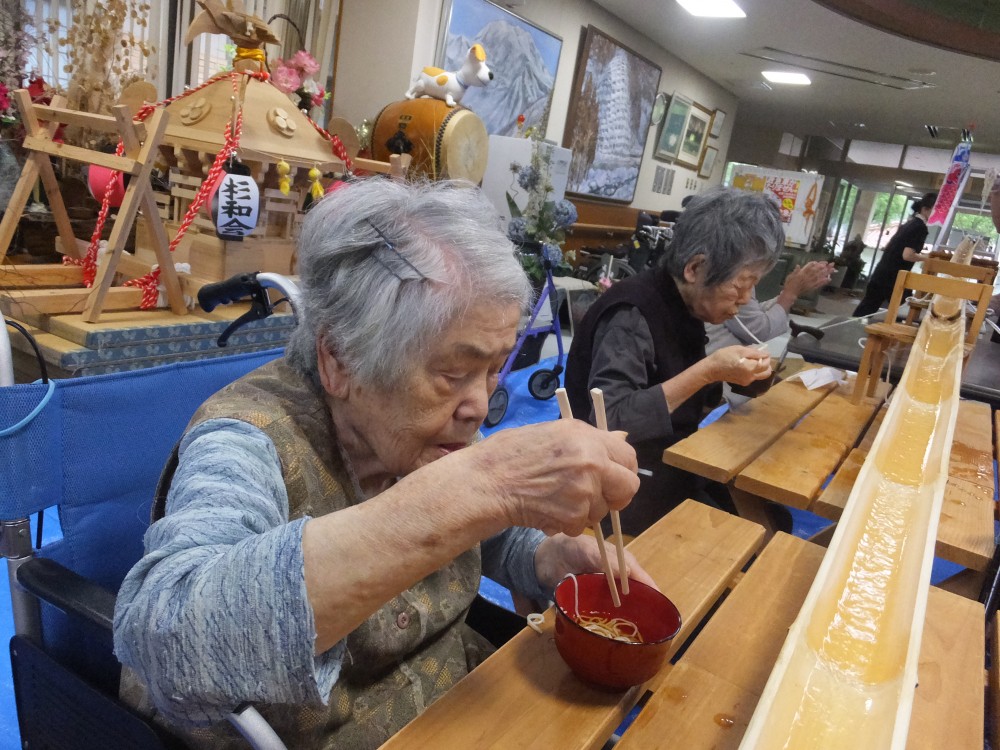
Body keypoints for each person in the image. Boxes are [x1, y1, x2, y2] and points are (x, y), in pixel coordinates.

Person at [113, 179, 651, 749]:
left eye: (494, 367)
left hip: (461, 709)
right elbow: (166, 642)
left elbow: (475, 539)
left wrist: (544, 556)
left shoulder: (418, 425)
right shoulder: (246, 438)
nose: (479, 405)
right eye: (453, 372)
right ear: (339, 359)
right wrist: (487, 482)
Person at [564, 187, 784, 536]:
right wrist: (709, 370)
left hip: (663, 457)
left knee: (772, 516)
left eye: (754, 285)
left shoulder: (684, 303)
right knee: (737, 534)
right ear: (696, 267)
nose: (746, 299)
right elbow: (611, 419)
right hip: (616, 476)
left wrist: (741, 374)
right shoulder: (632, 312)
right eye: (742, 283)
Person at [705, 259, 834, 353]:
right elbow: (758, 331)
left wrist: (789, 292)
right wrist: (790, 294)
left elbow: (750, 314)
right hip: (711, 373)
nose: (745, 299)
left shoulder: (737, 267)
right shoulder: (729, 268)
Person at [853, 191, 938, 317]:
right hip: (893, 278)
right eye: (935, 211)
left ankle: (850, 329)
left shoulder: (909, 223)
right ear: (925, 209)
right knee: (904, 311)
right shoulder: (919, 227)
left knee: (868, 307)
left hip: (883, 272)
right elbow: (907, 255)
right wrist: (927, 259)